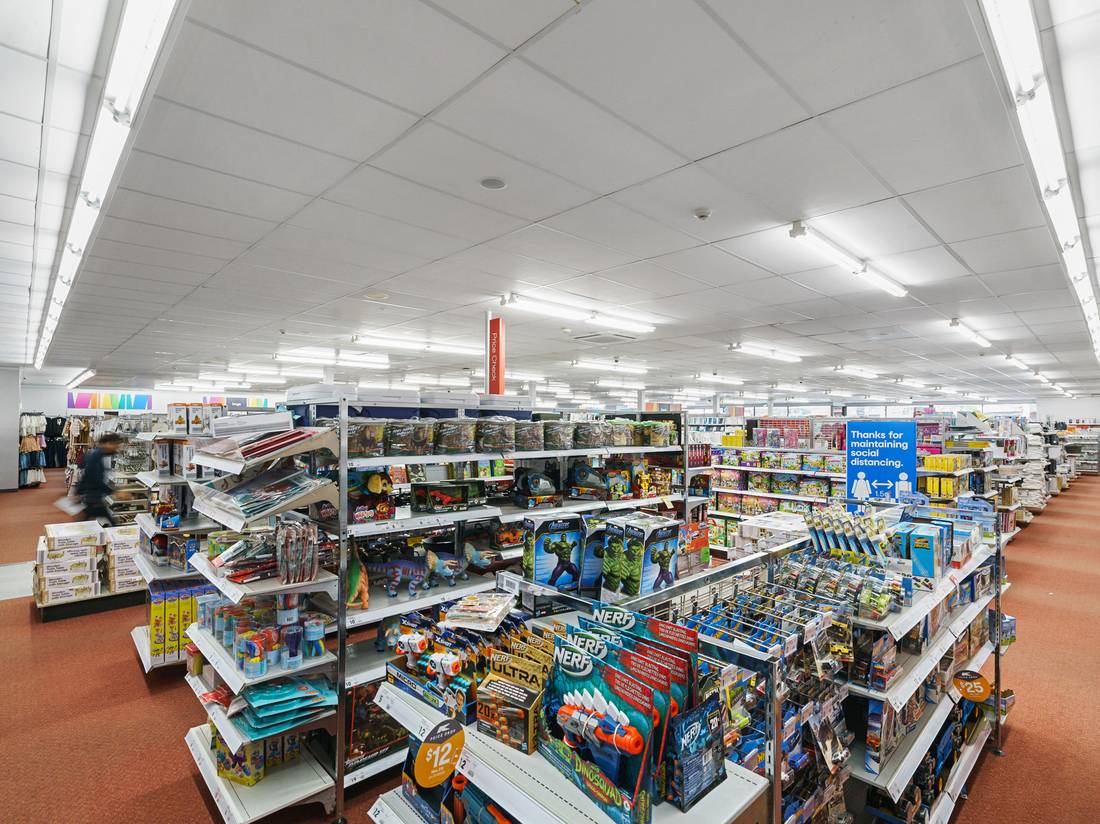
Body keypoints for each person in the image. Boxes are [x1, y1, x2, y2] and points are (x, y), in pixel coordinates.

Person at [75, 433, 124, 521]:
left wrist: (78, 492)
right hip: (92, 497)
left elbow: (86, 475)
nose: (117, 447)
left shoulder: (99, 454)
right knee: (108, 521)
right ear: (107, 443)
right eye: (115, 444)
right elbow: (96, 479)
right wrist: (114, 492)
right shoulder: (96, 456)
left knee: (88, 519)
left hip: (92, 496)